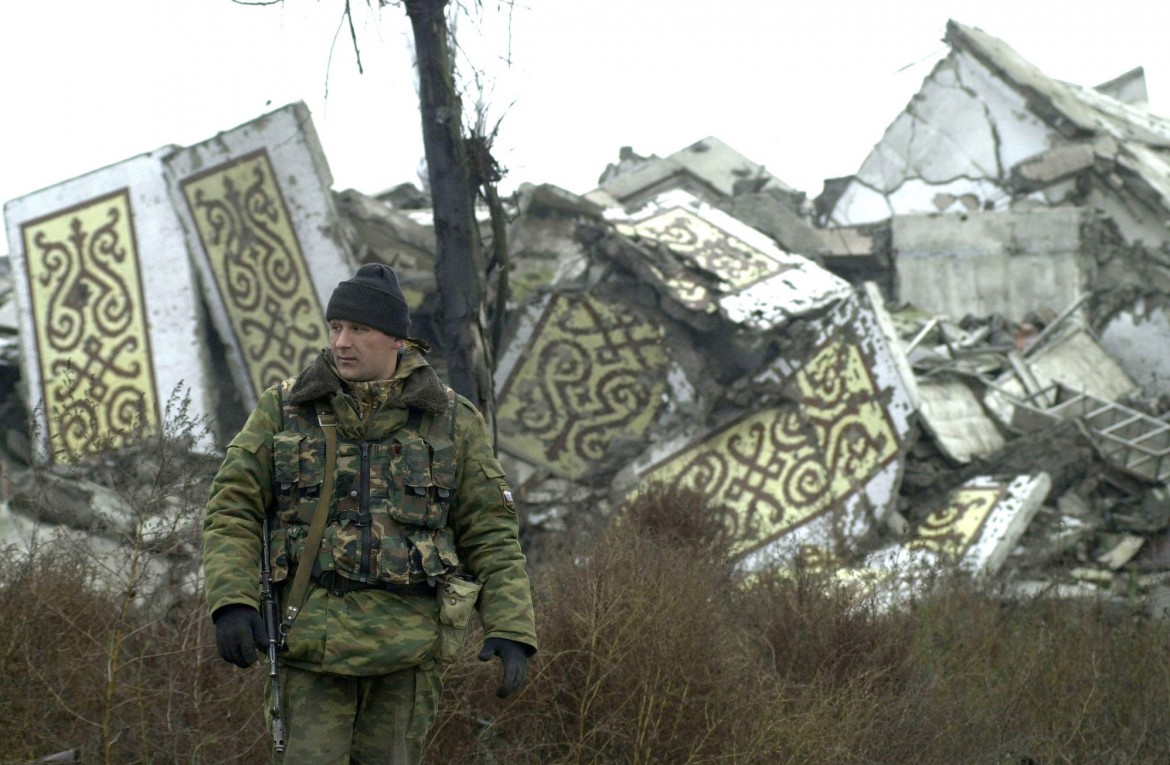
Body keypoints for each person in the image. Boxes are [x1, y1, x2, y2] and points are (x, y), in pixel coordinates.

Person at [202, 263, 537, 764]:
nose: (341, 342)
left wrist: (511, 627)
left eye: (359, 329)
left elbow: (490, 531)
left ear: (398, 340)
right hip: (310, 646)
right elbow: (232, 505)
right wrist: (231, 600)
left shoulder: (451, 421)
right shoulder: (287, 408)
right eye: (335, 327)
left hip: (407, 654)